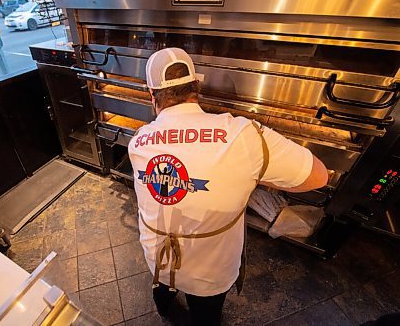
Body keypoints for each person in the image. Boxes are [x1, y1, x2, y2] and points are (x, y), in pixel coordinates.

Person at [128, 47, 328, 326]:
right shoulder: (244, 135)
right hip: (210, 272)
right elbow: (318, 176)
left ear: (152, 96)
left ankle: (165, 313)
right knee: (206, 316)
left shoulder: (137, 141)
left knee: (162, 289)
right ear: (196, 88)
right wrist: (254, 175)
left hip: (157, 257)